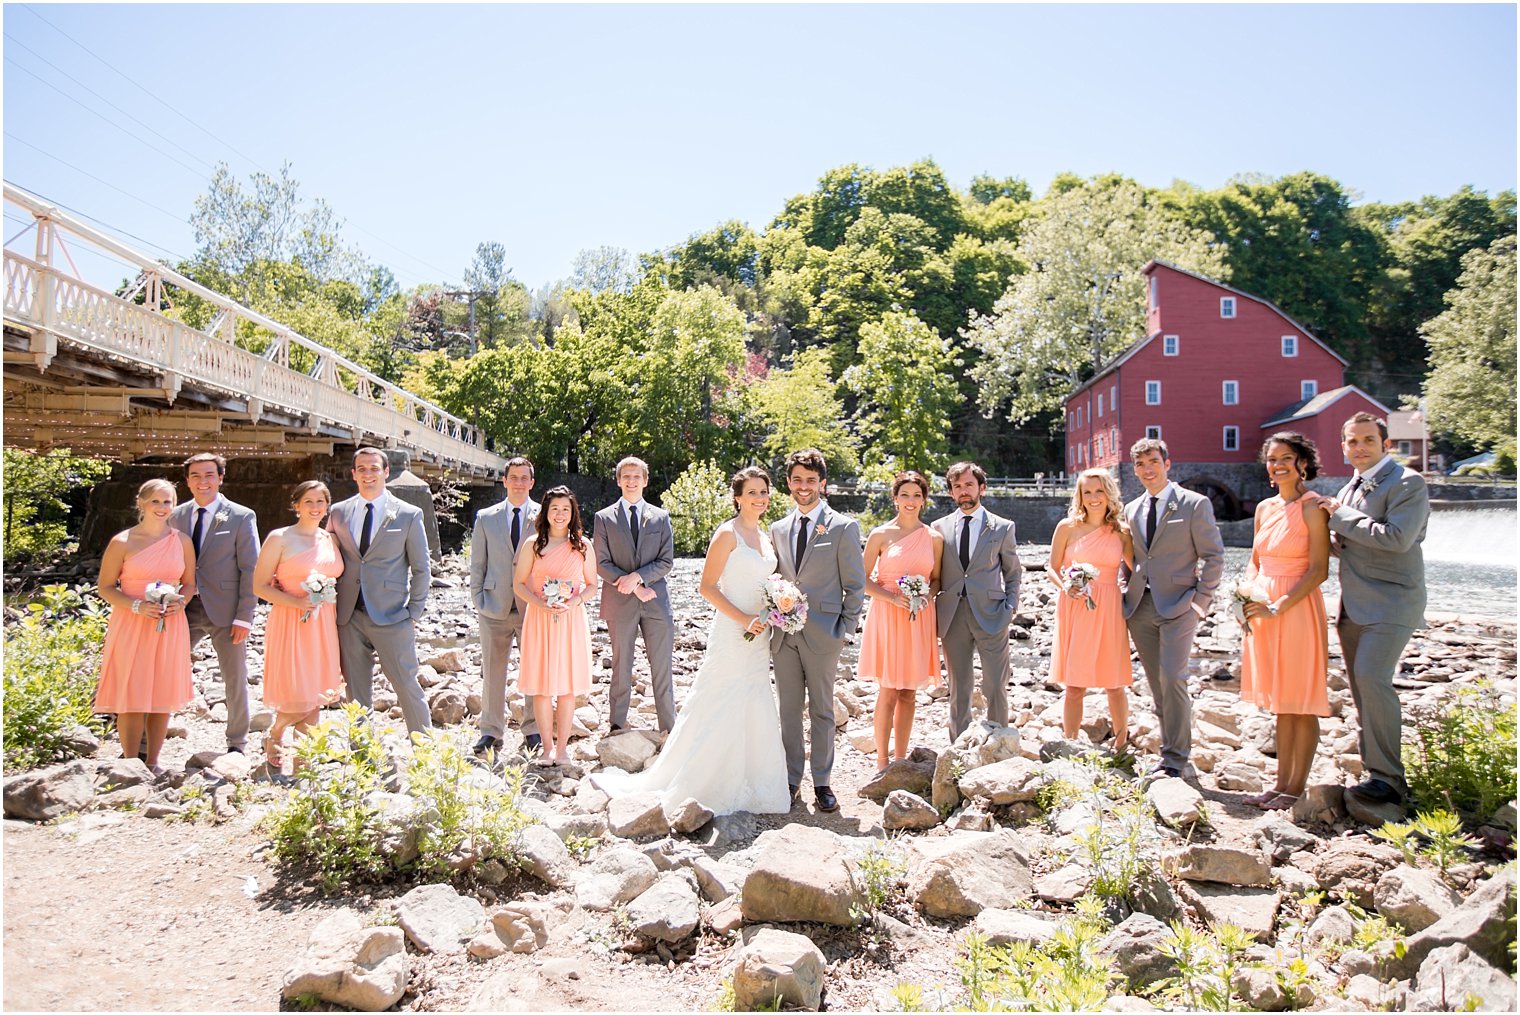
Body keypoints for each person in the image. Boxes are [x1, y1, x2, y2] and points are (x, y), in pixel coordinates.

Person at [591, 467, 790, 814]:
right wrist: (743, 618)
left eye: (764, 492)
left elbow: (768, 583)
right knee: (719, 697)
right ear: (738, 497)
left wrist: (781, 606)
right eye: (752, 492)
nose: (759, 498)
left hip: (760, 633)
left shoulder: (766, 537)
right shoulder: (727, 534)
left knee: (755, 697)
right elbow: (707, 587)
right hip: (733, 629)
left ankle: (754, 778)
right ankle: (704, 779)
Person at [1316, 411, 1430, 810]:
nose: (1359, 447)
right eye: (1351, 441)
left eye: (1367, 440)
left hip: (1394, 601)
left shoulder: (1407, 483)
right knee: (1361, 688)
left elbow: (1397, 539)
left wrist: (1339, 517)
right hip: (1353, 605)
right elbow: (1347, 544)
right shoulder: (1350, 487)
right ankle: (1375, 771)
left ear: (1386, 444)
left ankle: (1389, 779)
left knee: (1371, 677)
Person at [768, 448, 866, 813]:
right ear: (789, 484)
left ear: (822, 484)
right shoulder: (777, 528)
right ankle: (791, 779)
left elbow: (855, 585)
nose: (803, 486)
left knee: (823, 710)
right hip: (783, 635)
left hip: (825, 631)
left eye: (811, 480)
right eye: (797, 480)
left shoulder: (842, 527)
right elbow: (775, 577)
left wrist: (846, 628)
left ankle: (822, 782)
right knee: (789, 710)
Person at [1121, 438, 1225, 780]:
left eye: (1153, 461)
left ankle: (1177, 758)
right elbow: (1132, 558)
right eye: (1140, 464)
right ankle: (1169, 751)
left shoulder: (1194, 504)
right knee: (1155, 682)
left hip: (1181, 605)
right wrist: (1124, 590)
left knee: (1172, 677)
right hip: (1140, 606)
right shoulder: (1132, 508)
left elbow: (1214, 556)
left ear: (1167, 463)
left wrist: (1201, 602)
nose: (1147, 469)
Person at [1238, 433, 1332, 810]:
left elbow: (1319, 570)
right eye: (1272, 459)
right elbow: (1255, 560)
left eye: (1286, 458)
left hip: (1296, 608)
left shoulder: (1313, 507)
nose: (1278, 465)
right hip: (1263, 609)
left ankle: (1295, 787)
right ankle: (1279, 784)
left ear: (1303, 463)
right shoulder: (1263, 508)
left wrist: (1280, 605)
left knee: (1301, 699)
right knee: (1281, 701)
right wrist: (1245, 596)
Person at [327, 447, 433, 735]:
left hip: (393, 615)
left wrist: (413, 612)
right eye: (362, 469)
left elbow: (422, 568)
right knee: (356, 694)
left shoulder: (409, 514)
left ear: (386, 472)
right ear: (353, 474)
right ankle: (362, 757)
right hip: (348, 616)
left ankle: (423, 753)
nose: (368, 474)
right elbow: (327, 557)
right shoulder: (338, 512)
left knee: (407, 686)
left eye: (374, 468)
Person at [94, 479, 196, 774]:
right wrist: (137, 606)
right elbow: (105, 587)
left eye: (168, 502)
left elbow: (189, 583)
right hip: (131, 622)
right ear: (141, 503)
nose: (163, 508)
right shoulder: (123, 542)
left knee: (162, 693)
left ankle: (153, 761)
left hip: (169, 622)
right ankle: (129, 764)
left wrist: (182, 602)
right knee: (133, 691)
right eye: (156, 501)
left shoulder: (182, 541)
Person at [252, 481, 345, 774]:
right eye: (308, 501)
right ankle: (276, 731)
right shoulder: (279, 538)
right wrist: (296, 603)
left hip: (324, 622)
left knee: (317, 693)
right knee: (298, 690)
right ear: (296, 505)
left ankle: (303, 766)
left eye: (320, 501)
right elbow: (260, 586)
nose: (315, 507)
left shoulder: (331, 539)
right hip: (291, 620)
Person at [169, 453, 258, 754]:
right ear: (187, 481)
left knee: (234, 677)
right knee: (163, 667)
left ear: (220, 478)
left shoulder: (241, 515)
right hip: (183, 607)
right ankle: (145, 739)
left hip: (227, 608)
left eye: (209, 475)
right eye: (196, 475)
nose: (202, 481)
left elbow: (251, 568)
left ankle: (237, 742)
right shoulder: (176, 515)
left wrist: (245, 615)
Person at [858, 470, 943, 772]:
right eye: (904, 495)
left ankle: (900, 760)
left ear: (924, 500)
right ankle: (881, 762)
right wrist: (892, 598)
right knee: (889, 689)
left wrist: (926, 597)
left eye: (916, 495)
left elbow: (935, 580)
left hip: (918, 618)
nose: (910, 501)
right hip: (888, 613)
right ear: (895, 498)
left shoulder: (934, 538)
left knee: (909, 692)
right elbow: (861, 580)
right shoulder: (881, 535)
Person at [932, 461, 1023, 741]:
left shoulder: (1002, 527)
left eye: (969, 484)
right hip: (952, 616)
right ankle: (958, 746)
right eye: (957, 486)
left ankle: (998, 741)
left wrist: (1011, 607)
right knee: (959, 686)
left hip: (993, 614)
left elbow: (1013, 571)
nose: (964, 491)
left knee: (995, 683)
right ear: (951, 492)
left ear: (981, 488)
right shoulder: (938, 528)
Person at [1048, 469, 1136, 751]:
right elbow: (1052, 567)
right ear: (1080, 496)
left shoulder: (1122, 532)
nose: (1094, 498)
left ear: (1109, 493)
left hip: (1109, 607)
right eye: (1088, 492)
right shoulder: (1067, 527)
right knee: (1074, 684)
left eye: (1099, 491)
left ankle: (1122, 747)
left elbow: (1139, 569)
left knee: (1114, 683)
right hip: (1075, 606)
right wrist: (1065, 586)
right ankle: (1069, 746)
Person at [514, 486, 597, 765]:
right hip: (539, 619)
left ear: (573, 513)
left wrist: (574, 602)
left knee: (567, 687)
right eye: (554, 509)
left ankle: (563, 749)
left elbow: (592, 586)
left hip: (571, 620)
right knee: (541, 686)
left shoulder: (584, 546)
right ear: (545, 513)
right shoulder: (532, 544)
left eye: (565, 509)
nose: (560, 514)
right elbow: (519, 584)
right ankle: (547, 748)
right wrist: (539, 604)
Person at [593, 457, 677, 732]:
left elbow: (666, 561)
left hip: (656, 601)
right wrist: (631, 586)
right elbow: (601, 563)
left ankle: (668, 726)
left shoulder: (661, 517)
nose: (631, 481)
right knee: (621, 666)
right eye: (626, 476)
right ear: (618, 480)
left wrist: (639, 578)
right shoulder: (603, 518)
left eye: (636, 476)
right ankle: (617, 724)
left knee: (662, 665)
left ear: (645, 480)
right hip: (619, 602)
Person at [469, 457, 541, 756]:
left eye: (524, 478)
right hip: (493, 606)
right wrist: (478, 599)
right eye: (514, 477)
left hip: (531, 606)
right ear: (505, 481)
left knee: (534, 672)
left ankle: (534, 729)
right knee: (493, 672)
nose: (519, 483)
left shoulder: (543, 515)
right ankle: (490, 731)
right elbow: (478, 562)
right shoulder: (486, 517)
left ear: (532, 483)